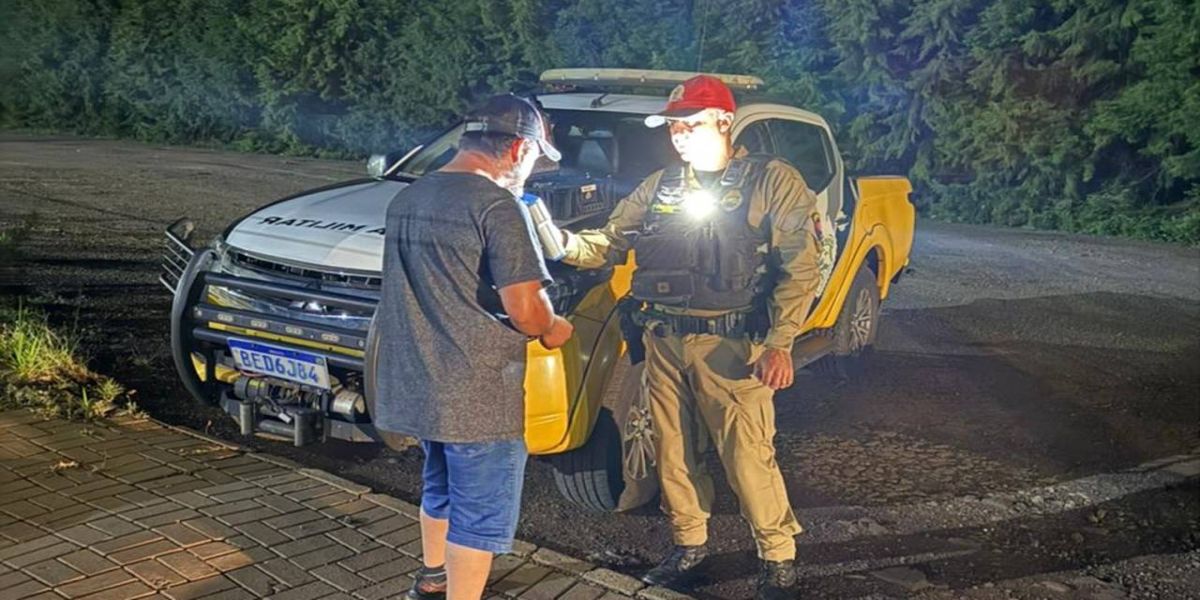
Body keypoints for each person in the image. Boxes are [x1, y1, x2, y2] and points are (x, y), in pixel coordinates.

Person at [557, 75, 822, 600]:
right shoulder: (660, 186)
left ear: (725, 122)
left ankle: (777, 558)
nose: (680, 135)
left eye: (691, 124)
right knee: (673, 454)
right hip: (662, 340)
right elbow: (609, 242)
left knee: (748, 456)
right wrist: (553, 238)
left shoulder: (771, 180)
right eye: (674, 126)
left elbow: (801, 267)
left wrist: (781, 342)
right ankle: (689, 544)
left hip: (731, 346)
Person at [372, 94, 573, 600]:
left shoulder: (409, 198)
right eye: (534, 159)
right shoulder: (496, 206)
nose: (532, 170)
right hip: (478, 391)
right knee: (480, 513)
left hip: (420, 383)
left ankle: (432, 578)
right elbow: (526, 309)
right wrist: (555, 330)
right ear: (520, 149)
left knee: (439, 486)